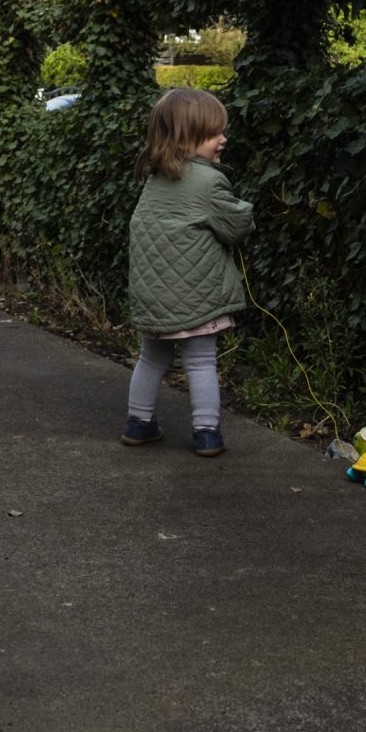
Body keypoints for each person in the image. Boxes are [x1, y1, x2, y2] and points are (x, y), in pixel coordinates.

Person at [122, 87, 254, 456]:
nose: (223, 139)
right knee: (200, 361)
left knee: (151, 359)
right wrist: (243, 210)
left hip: (153, 295)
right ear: (186, 138)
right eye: (215, 134)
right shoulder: (209, 181)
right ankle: (207, 432)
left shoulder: (154, 179)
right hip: (196, 296)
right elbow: (235, 227)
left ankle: (139, 422)